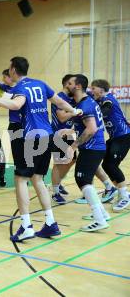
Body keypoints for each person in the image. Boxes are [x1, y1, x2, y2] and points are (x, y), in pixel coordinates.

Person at [0, 57, 79, 242]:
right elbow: (59, 102)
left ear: (12, 70)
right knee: (38, 179)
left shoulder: (19, 88)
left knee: (20, 179)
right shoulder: (40, 84)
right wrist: (74, 112)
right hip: (47, 135)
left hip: (29, 137)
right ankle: (51, 223)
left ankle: (26, 226)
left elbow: (16, 105)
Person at [62, 75, 110, 231]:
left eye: (69, 83)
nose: (66, 86)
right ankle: (103, 214)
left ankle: (100, 220)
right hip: (95, 147)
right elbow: (87, 126)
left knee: (83, 181)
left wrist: (72, 147)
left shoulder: (86, 104)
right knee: (84, 180)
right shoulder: (86, 102)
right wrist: (70, 130)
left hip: (92, 148)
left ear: (77, 86)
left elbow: (91, 129)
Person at [91, 79, 130, 212]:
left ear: (101, 89)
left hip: (123, 137)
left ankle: (125, 196)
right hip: (115, 138)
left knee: (112, 165)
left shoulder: (108, 99)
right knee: (106, 165)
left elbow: (105, 111)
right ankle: (120, 191)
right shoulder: (99, 99)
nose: (92, 91)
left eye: (94, 88)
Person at [50, 74, 76, 204]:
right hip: (59, 134)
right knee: (59, 163)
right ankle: (55, 192)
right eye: (72, 83)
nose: (75, 86)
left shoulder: (70, 98)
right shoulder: (60, 97)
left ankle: (58, 182)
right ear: (67, 84)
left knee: (71, 160)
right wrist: (76, 111)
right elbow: (61, 117)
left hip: (69, 133)